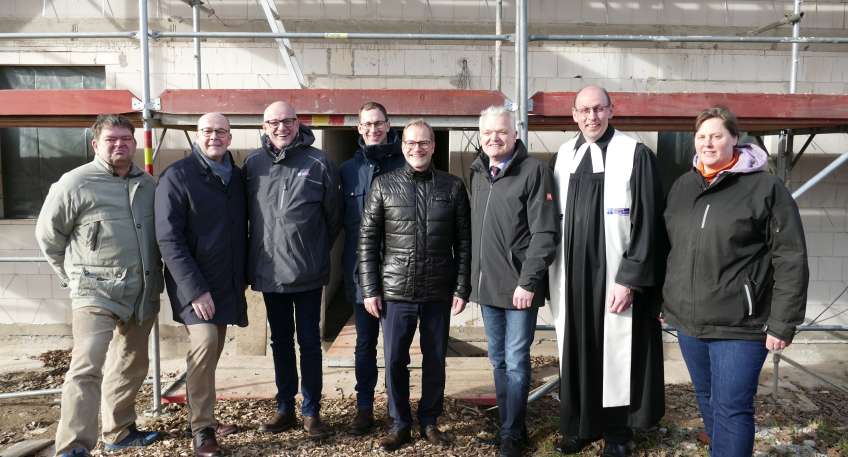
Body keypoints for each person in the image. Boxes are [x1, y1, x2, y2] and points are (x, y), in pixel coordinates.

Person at [663, 106, 808, 457]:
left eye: (717, 136)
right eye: (701, 136)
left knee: (732, 408)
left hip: (740, 325)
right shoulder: (683, 186)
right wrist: (665, 302)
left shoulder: (765, 188)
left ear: (735, 139)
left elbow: (790, 257)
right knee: (707, 398)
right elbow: (669, 248)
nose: (708, 143)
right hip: (690, 324)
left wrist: (783, 322)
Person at [35, 114, 163, 457]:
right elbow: (48, 237)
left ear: (134, 143)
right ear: (95, 144)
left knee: (131, 363)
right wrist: (72, 278)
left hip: (142, 291)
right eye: (111, 139)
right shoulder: (74, 183)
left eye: (126, 139)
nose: (120, 144)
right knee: (86, 366)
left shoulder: (148, 185)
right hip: (95, 292)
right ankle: (73, 445)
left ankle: (119, 431)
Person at [548, 85, 665, 457]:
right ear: (574, 115)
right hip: (571, 276)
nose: (591, 117)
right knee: (577, 348)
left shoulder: (635, 154)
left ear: (611, 110)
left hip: (614, 275)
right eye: (584, 110)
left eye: (598, 109)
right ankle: (579, 427)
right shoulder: (564, 156)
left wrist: (629, 278)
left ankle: (617, 433)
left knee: (615, 352)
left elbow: (648, 224)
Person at [358, 119, 471, 452]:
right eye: (410, 143)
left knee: (435, 359)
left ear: (433, 146)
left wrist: (461, 287)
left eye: (423, 143)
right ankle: (400, 423)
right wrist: (370, 288)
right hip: (396, 291)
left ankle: (430, 420)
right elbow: (367, 241)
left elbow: (464, 242)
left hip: (438, 289)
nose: (416, 148)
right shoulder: (384, 185)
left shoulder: (452, 187)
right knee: (395, 360)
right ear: (402, 145)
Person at [245, 101, 342, 439]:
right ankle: (285, 407)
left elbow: (334, 218)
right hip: (270, 272)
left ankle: (312, 411)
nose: (281, 127)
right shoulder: (252, 165)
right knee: (280, 342)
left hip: (307, 272)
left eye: (287, 121)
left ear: (298, 123)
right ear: (264, 126)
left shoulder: (319, 163)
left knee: (310, 343)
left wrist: (310, 249)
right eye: (273, 122)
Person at [155, 113, 247, 457]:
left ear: (230, 137)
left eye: (221, 131)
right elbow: (169, 239)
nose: (214, 137)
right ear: (197, 135)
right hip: (193, 284)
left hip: (226, 282)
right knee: (205, 343)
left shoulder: (236, 177)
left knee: (211, 353)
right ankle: (202, 430)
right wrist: (195, 289)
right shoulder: (177, 176)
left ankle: (201, 414)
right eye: (207, 131)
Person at [469, 106, 558, 457]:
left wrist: (529, 281)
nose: (494, 138)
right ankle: (508, 426)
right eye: (488, 132)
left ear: (515, 133)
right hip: (488, 288)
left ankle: (513, 433)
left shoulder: (534, 171)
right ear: (480, 136)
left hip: (520, 289)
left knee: (517, 362)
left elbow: (545, 233)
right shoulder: (478, 172)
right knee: (498, 362)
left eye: (502, 132)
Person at [339, 101, 406, 435]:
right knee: (364, 344)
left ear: (388, 124)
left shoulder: (405, 164)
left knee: (396, 348)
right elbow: (335, 220)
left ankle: (397, 410)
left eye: (379, 123)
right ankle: (364, 408)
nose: (373, 129)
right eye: (367, 124)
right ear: (359, 128)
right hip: (361, 273)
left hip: (398, 272)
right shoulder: (347, 171)